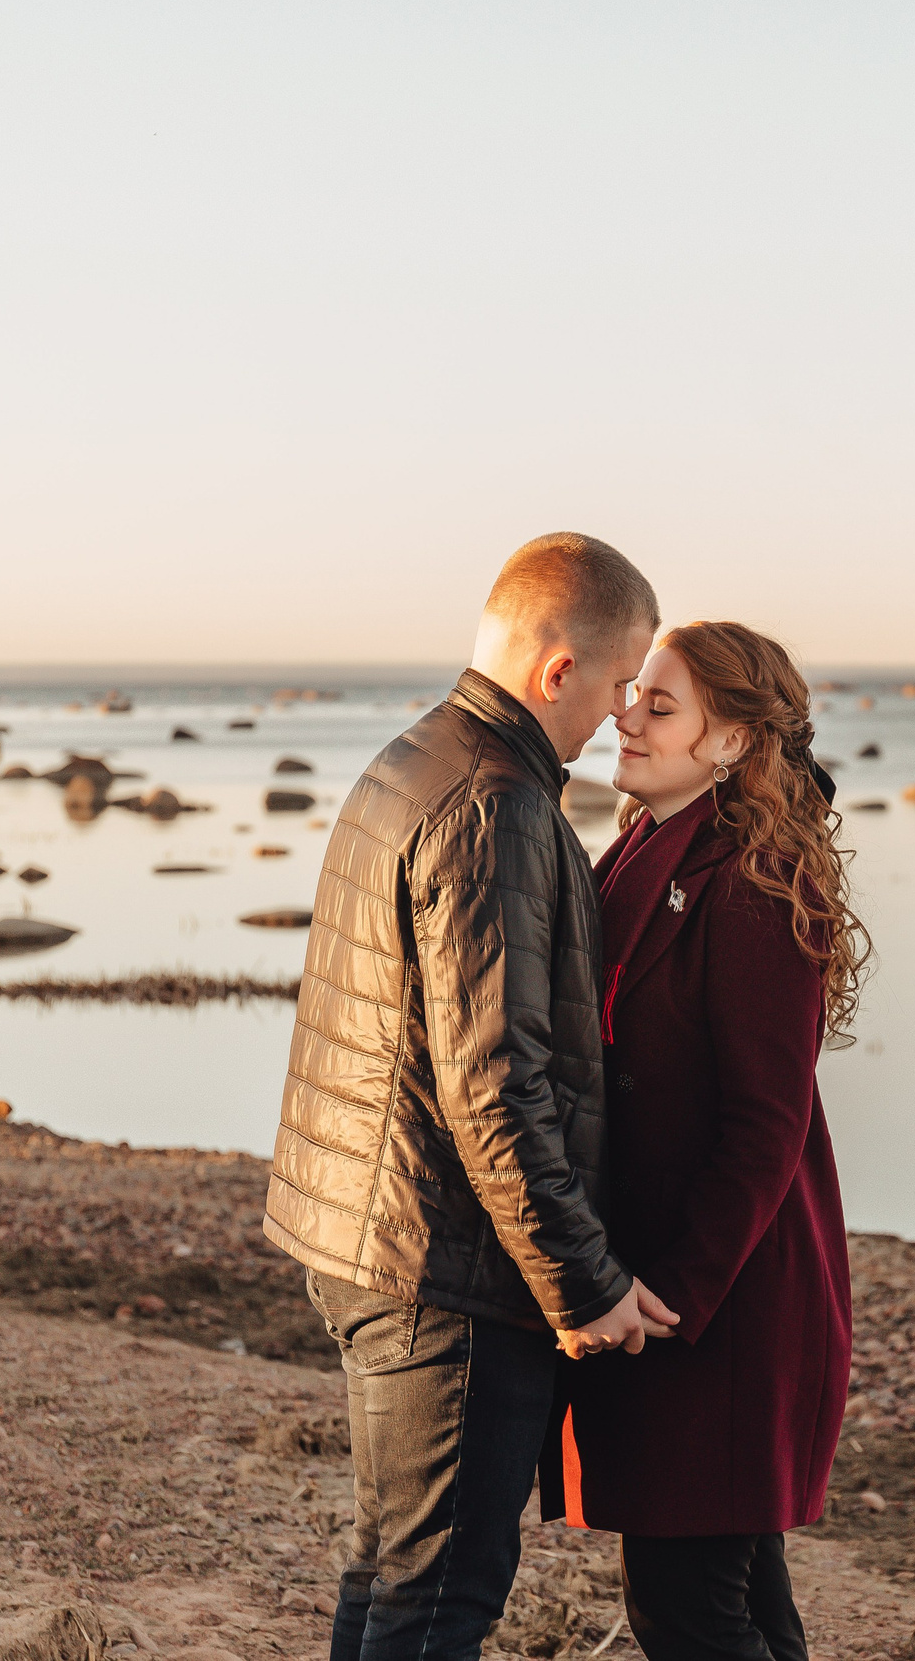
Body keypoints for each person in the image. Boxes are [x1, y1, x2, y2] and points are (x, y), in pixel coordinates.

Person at [262, 532, 681, 1661]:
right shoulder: (495, 804)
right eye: (618, 684)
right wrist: (584, 1283)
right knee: (439, 1595)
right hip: (442, 1269)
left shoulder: (417, 760)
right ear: (558, 669)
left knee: (394, 1575)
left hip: (377, 1240)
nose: (619, 714)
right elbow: (494, 1085)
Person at [547, 620, 865, 1661]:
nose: (626, 717)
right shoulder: (644, 846)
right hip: (665, 1281)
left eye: (661, 704)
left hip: (723, 1298)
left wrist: (672, 1295)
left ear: (731, 742)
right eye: (633, 694)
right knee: (738, 1598)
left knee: (686, 1609)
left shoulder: (758, 881)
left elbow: (766, 1125)